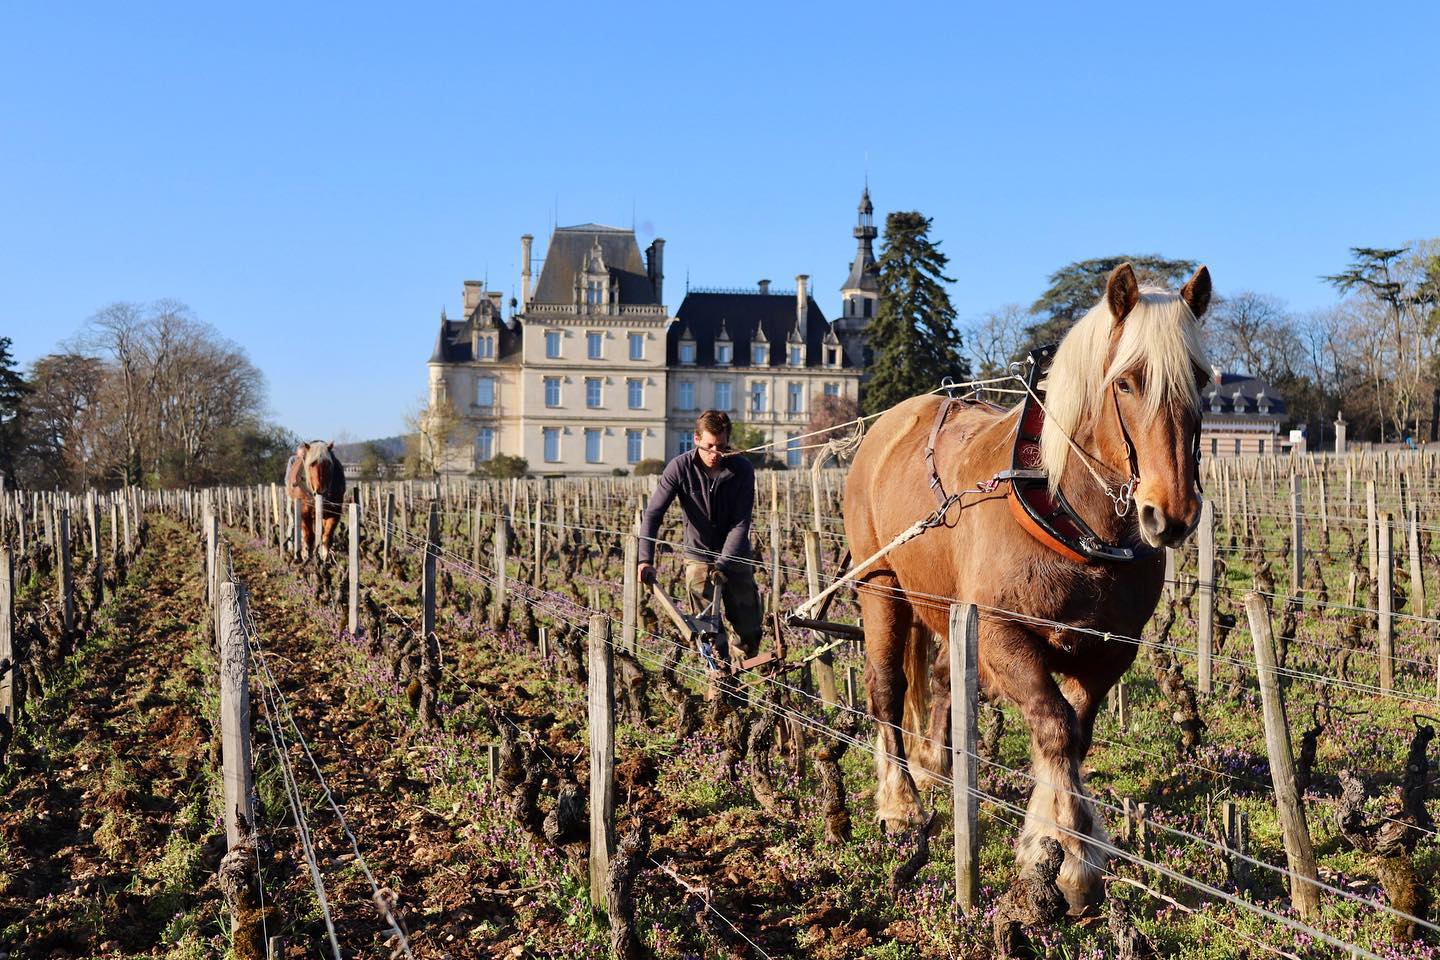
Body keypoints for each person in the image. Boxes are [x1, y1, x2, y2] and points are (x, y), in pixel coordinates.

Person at [637, 409, 762, 663]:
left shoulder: (742, 469)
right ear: (696, 440)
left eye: (721, 447)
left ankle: (740, 669)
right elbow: (653, 514)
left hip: (735, 555)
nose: (715, 453)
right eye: (709, 446)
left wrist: (724, 563)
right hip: (698, 555)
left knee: (749, 630)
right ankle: (720, 683)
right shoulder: (679, 468)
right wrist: (644, 559)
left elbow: (741, 524)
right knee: (708, 632)